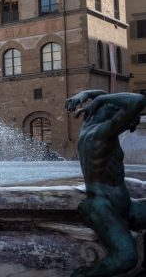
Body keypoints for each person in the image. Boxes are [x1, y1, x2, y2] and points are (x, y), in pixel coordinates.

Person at [66, 90, 146, 277]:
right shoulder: (101, 134)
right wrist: (101, 99)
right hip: (104, 208)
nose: (132, 122)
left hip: (122, 206)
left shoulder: (89, 126)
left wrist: (84, 94)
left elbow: (106, 96)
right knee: (126, 258)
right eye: (129, 117)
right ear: (112, 112)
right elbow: (139, 100)